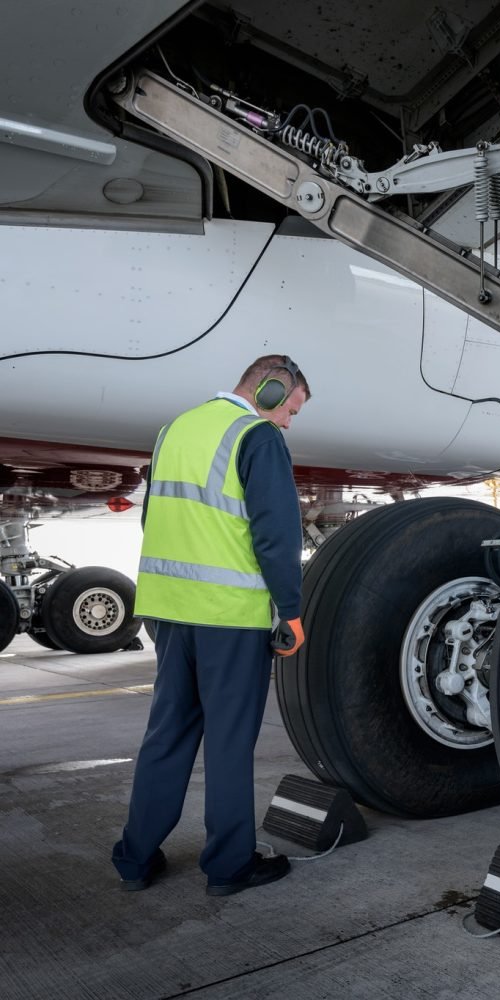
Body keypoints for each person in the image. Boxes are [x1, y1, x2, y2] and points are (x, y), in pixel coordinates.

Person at [112, 355, 311, 896]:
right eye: (291, 408)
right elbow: (277, 536)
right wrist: (291, 612)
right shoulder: (257, 436)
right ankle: (228, 867)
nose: (288, 422)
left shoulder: (173, 429)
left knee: (167, 735)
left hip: (170, 612)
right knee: (228, 743)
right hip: (229, 619)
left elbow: (156, 517)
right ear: (271, 389)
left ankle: (135, 858)